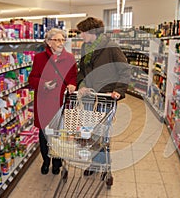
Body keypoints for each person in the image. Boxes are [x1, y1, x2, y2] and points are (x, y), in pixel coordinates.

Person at [76, 17, 131, 176]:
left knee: (103, 134)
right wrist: (82, 84)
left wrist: (119, 91)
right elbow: (81, 70)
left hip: (106, 96)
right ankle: (95, 163)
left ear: (91, 32)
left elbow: (124, 70)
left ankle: (104, 164)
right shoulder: (85, 48)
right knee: (90, 132)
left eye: (82, 32)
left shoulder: (111, 47)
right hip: (89, 97)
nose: (81, 36)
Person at [28, 28, 77, 175]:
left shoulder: (69, 58)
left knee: (59, 134)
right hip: (43, 102)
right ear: (49, 42)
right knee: (44, 134)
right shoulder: (39, 58)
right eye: (57, 40)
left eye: (63, 40)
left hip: (61, 103)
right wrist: (44, 84)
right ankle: (45, 161)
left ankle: (57, 162)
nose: (61, 43)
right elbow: (32, 79)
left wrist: (72, 84)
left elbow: (73, 76)